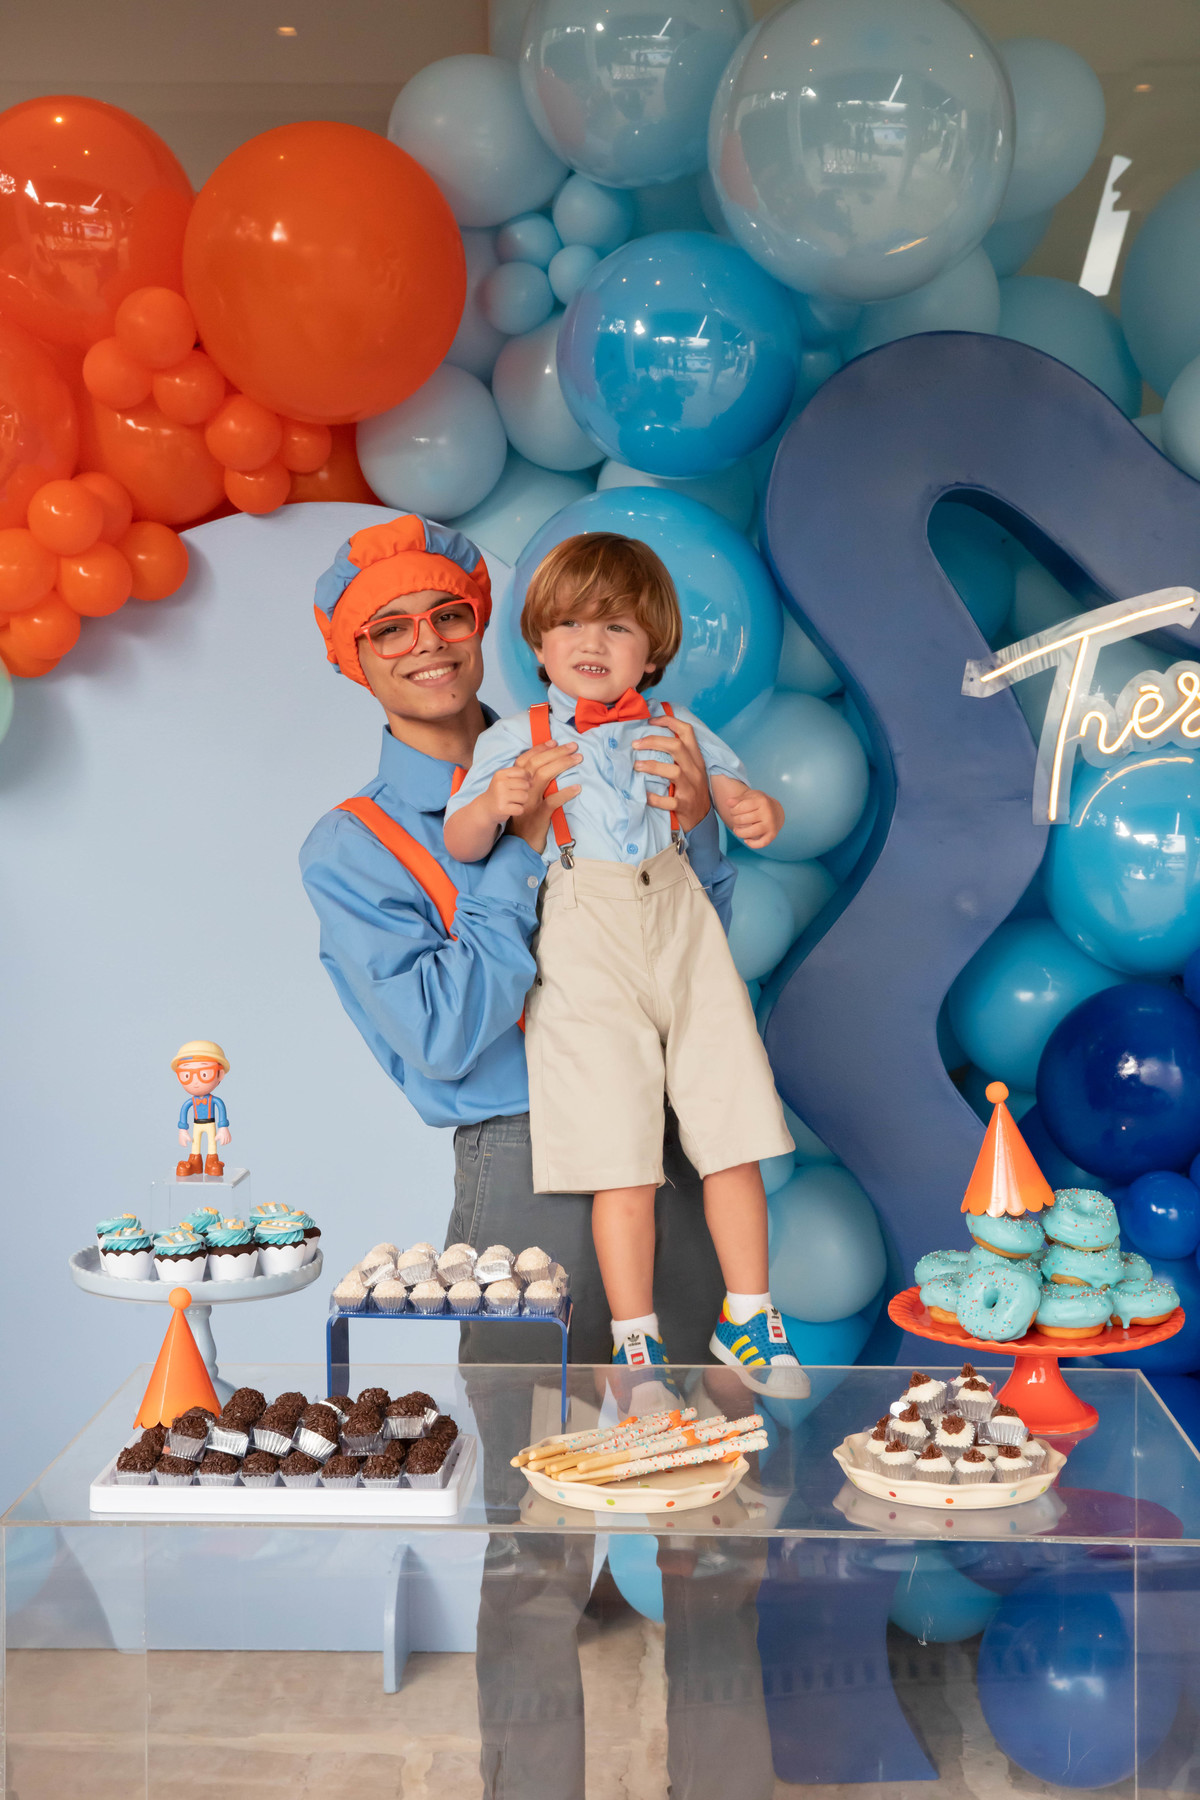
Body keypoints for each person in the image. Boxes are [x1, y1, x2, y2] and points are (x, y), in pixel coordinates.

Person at [299, 512, 730, 1367]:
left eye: (448, 615)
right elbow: (445, 1037)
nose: (428, 642)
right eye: (390, 628)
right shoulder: (352, 847)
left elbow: (701, 946)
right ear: (355, 658)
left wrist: (698, 824)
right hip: (529, 1162)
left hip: (669, 1133)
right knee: (537, 1439)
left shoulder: (624, 748)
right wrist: (519, 846)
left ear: (483, 627)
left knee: (706, 1429)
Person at [444, 532, 805, 1393]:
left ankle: (750, 1315)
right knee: (620, 1154)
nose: (592, 643)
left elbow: (735, 797)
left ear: (653, 649)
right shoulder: (515, 740)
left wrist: (756, 810)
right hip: (584, 932)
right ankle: (635, 1341)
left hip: (680, 920)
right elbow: (461, 841)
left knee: (733, 1122)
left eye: (617, 626)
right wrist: (496, 805)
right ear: (538, 645)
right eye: (570, 624)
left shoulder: (678, 727)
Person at [172, 1039, 232, 1177]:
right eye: (186, 1075)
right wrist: (183, 1130)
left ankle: (212, 1162)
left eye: (204, 1074)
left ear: (220, 1074)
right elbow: (184, 1113)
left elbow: (221, 1110)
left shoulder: (215, 1101)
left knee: (212, 1143)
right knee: (195, 1143)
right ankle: (194, 1163)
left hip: (210, 1124)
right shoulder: (190, 1102)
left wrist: (223, 1128)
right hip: (196, 1125)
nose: (195, 1082)